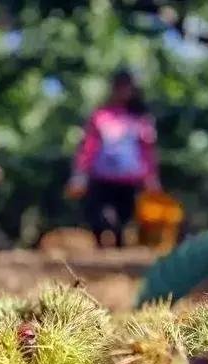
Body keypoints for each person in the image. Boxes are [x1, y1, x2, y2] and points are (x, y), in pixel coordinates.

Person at [66, 69, 161, 247]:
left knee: (123, 219)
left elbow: (147, 150)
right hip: (101, 177)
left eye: (127, 87)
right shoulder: (100, 115)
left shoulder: (141, 119)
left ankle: (118, 253)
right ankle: (99, 251)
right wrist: (79, 174)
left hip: (128, 179)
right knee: (98, 216)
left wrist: (151, 177)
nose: (123, 91)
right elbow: (88, 147)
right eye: (119, 87)